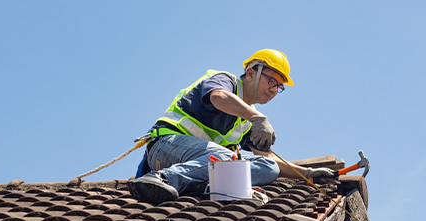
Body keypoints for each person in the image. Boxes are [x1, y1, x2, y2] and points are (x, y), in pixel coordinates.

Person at [128, 49, 335, 204]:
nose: (274, 89)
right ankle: (162, 178)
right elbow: (218, 97)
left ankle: (210, 187)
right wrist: (257, 117)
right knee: (225, 160)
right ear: (251, 72)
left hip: (200, 163)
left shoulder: (245, 122)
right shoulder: (225, 81)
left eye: (279, 86)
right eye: (271, 80)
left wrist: (306, 173)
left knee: (268, 167)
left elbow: (269, 158)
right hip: (165, 147)